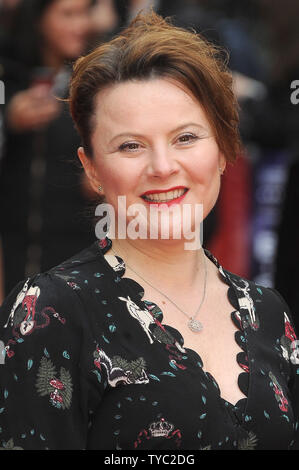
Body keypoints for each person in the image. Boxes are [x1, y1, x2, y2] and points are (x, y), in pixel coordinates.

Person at [0, 11, 298, 451]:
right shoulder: (51, 312)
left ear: (221, 149)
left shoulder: (268, 313)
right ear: (93, 169)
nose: (162, 167)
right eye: (131, 145)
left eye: (185, 138)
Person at [0, 0, 95, 297]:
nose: (80, 25)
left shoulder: (96, 81)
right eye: (68, 14)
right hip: (14, 246)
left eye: (84, 13)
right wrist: (7, 120)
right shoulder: (8, 77)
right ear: (38, 18)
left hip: (76, 251)